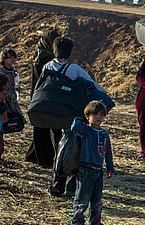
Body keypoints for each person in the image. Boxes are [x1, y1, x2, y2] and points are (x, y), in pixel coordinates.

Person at [43, 36, 107, 197]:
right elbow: (92, 85)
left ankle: (57, 186)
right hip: (70, 115)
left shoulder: (47, 66)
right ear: (70, 52)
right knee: (73, 151)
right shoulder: (74, 69)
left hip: (51, 114)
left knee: (58, 150)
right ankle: (71, 186)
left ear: (54, 50)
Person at [71, 101, 114, 225]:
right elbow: (75, 127)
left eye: (101, 115)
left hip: (98, 170)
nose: (98, 118)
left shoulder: (104, 134)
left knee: (97, 198)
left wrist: (110, 167)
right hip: (85, 169)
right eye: (95, 114)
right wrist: (79, 115)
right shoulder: (85, 130)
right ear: (88, 116)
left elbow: (108, 152)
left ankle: (95, 221)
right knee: (82, 197)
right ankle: (77, 220)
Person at [25, 28, 60, 167]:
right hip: (44, 96)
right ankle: (43, 158)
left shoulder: (40, 53)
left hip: (38, 95)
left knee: (41, 128)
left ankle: (35, 155)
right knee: (44, 129)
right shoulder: (46, 58)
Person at [0, 47, 23, 118]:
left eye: (14, 57)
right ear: (4, 59)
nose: (12, 59)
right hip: (3, 96)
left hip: (12, 96)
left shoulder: (14, 71)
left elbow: (17, 83)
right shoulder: (1, 70)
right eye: (10, 57)